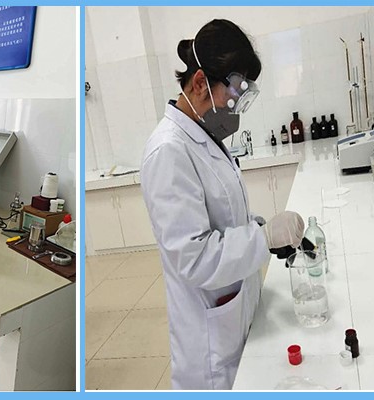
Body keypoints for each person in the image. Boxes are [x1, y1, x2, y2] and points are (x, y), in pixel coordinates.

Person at [140, 19, 305, 390]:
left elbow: (225, 218)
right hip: (210, 346)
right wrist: (262, 238)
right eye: (233, 95)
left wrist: (261, 229)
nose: (235, 108)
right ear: (200, 83)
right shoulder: (168, 151)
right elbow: (193, 257)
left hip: (236, 309)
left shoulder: (204, 136)